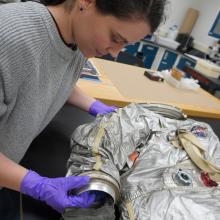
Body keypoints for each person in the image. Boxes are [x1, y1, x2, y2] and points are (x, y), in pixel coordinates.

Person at [0, 0, 166, 218]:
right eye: (115, 39)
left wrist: (94, 105)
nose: (115, 53)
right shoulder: (9, 35)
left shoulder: (76, 38)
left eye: (124, 46)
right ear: (86, 2)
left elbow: (48, 76)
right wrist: (36, 185)